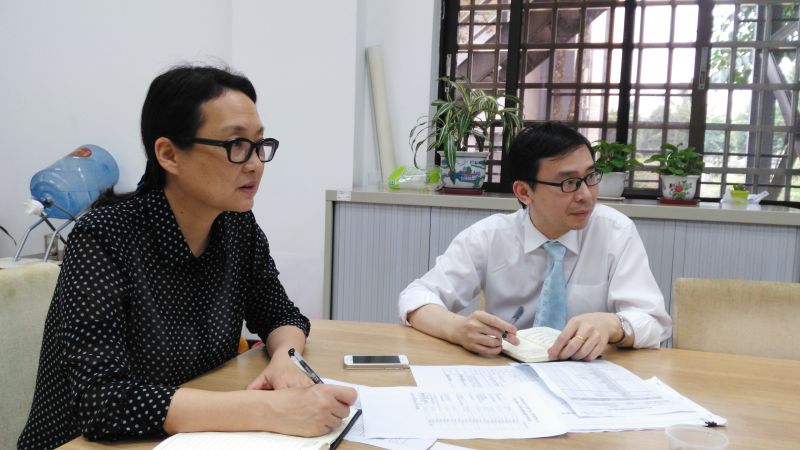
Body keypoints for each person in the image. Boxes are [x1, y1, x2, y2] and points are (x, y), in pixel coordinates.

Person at [18, 66, 356, 450]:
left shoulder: (237, 226)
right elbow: (104, 402)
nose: (255, 164)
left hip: (188, 436)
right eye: (236, 145)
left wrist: (286, 359)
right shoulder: (103, 237)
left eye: (259, 144)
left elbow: (281, 315)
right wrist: (269, 409)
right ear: (169, 155)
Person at [398, 122, 672, 361]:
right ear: (524, 192)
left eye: (590, 177)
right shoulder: (490, 236)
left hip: (590, 377)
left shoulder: (615, 232)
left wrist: (612, 325)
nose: (586, 195)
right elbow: (416, 297)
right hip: (506, 376)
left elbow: (654, 322)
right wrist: (457, 329)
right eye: (569, 183)